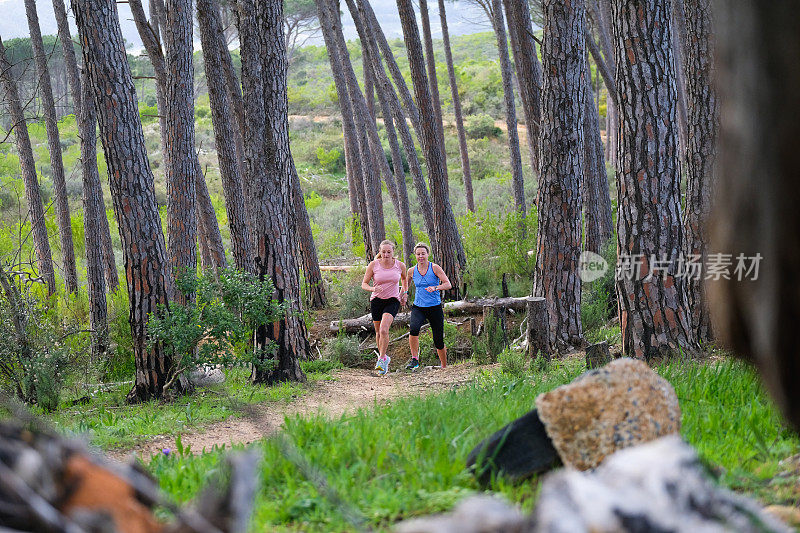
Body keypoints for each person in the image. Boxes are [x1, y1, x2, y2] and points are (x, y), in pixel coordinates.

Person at [361, 240, 408, 375]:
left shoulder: (400, 265)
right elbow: (364, 284)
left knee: (384, 329)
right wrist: (373, 288)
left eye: (389, 252)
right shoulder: (374, 265)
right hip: (376, 300)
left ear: (393, 252)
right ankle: (383, 357)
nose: (386, 254)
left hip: (393, 300)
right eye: (383, 252)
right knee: (378, 332)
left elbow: (404, 279)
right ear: (380, 252)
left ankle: (381, 359)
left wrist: (404, 293)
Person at [406, 242, 451, 370]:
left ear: (428, 254)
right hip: (418, 307)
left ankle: (444, 366)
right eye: (418, 254)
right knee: (414, 329)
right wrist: (403, 293)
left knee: (438, 340)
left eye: (423, 254)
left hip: (434, 307)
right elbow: (406, 285)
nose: (421, 256)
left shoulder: (435, 268)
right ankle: (415, 359)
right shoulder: (411, 271)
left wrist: (436, 287)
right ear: (415, 255)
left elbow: (448, 284)